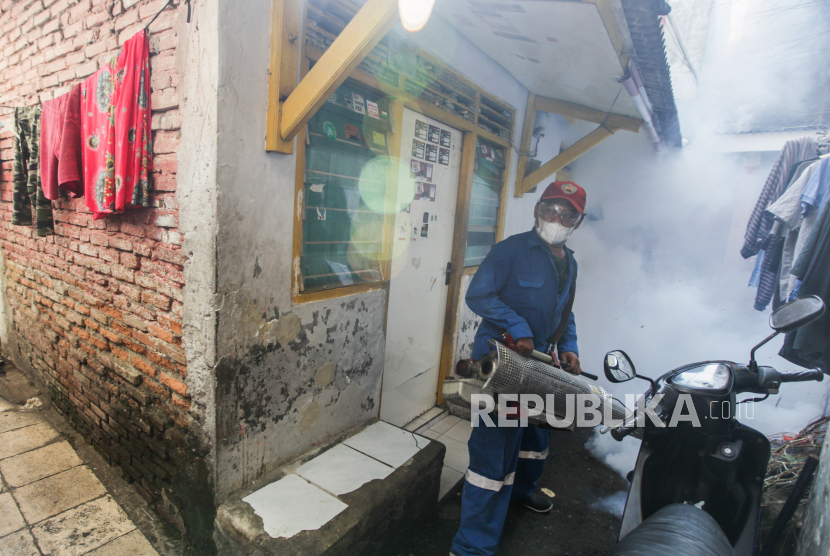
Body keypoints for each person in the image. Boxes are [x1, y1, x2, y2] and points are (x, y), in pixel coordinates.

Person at [450, 181, 586, 556]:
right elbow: (478, 295)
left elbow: (565, 311)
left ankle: (522, 493)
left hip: (541, 364)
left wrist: (569, 347)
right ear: (537, 210)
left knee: (534, 440)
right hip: (503, 362)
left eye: (567, 214)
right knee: (494, 451)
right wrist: (518, 326)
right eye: (550, 210)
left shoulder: (569, 262)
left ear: (578, 221)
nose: (556, 219)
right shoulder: (509, 251)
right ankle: (471, 547)